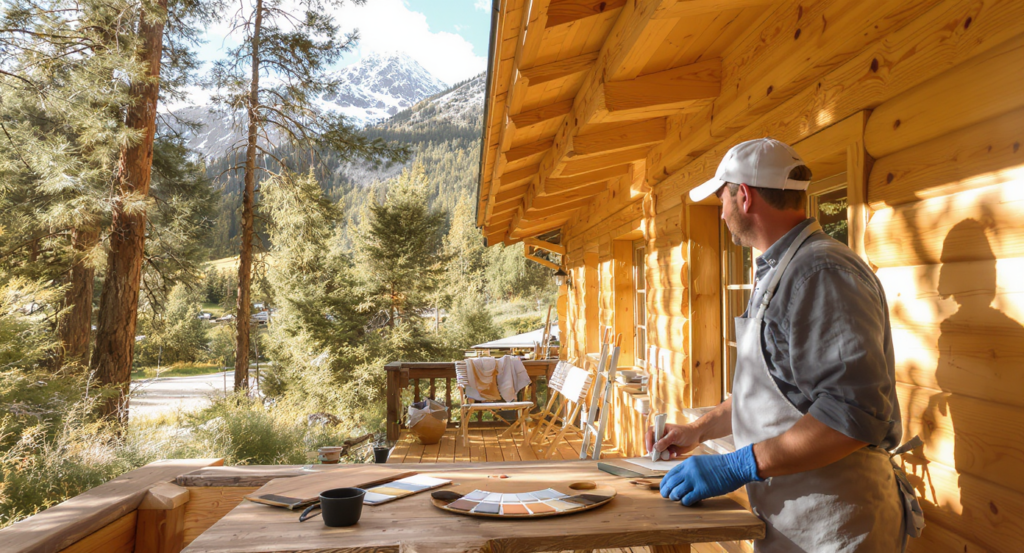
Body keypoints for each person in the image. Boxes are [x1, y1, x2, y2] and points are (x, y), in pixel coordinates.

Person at [646, 138, 923, 552]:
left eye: (722, 197)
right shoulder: (782, 270)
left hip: (838, 525)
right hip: (794, 520)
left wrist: (736, 465)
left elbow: (853, 416)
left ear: (744, 195)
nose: (721, 211)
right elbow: (776, 393)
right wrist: (697, 431)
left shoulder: (821, 272)